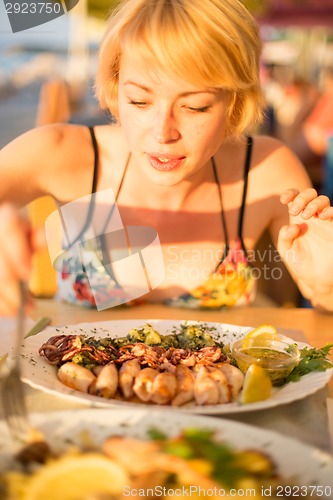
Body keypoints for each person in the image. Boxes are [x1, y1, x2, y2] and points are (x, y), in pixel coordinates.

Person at [1, 0, 333, 315]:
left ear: (234, 101)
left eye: (195, 107)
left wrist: (326, 287)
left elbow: (321, 307)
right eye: (139, 101)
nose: (163, 133)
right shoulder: (63, 152)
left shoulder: (266, 171)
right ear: (115, 87)